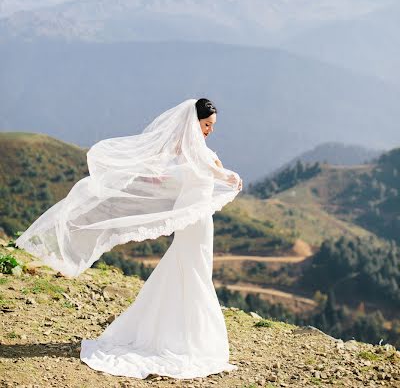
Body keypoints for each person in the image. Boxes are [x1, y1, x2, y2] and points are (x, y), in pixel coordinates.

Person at [15, 97, 243, 379]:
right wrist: (227, 174)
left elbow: (209, 170)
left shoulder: (202, 151)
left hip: (199, 220)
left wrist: (222, 172)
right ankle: (189, 340)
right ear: (193, 121)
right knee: (194, 271)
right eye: (206, 124)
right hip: (192, 220)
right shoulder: (187, 151)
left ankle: (174, 332)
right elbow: (205, 170)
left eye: (212, 126)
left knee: (187, 269)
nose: (210, 130)